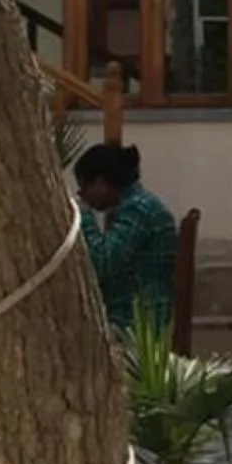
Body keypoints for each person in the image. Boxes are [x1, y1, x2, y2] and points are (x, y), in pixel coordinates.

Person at [75, 141, 178, 336]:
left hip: (136, 324)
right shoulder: (137, 205)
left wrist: (84, 215)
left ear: (101, 183)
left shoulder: (137, 209)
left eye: (83, 188)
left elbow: (103, 262)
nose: (82, 195)